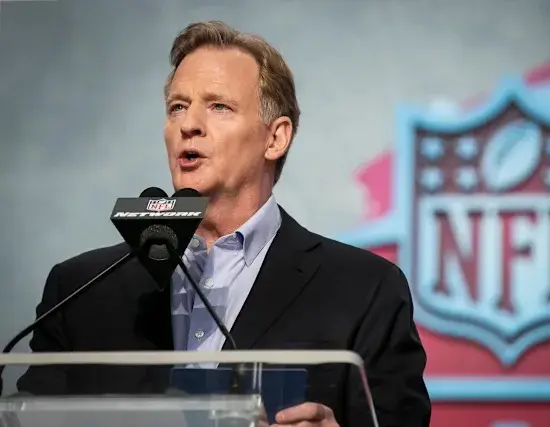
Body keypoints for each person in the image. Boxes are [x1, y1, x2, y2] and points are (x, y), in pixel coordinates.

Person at [16, 21, 431, 426]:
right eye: (177, 107)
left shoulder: (364, 290)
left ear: (275, 138)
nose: (188, 125)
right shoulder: (80, 291)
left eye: (219, 106)